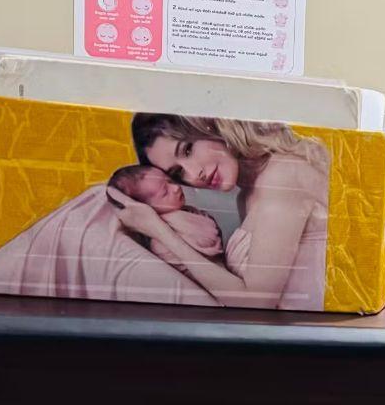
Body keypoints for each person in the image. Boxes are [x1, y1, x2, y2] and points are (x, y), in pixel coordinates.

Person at [108, 114, 329, 310]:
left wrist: (158, 230)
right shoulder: (246, 196)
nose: (194, 174)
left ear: (208, 125)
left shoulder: (281, 176)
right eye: (177, 172)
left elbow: (257, 303)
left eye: (187, 149)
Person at [107, 164, 226, 265]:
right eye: (165, 192)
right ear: (145, 209)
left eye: (170, 181)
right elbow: (210, 239)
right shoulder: (162, 241)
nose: (176, 188)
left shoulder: (186, 211)